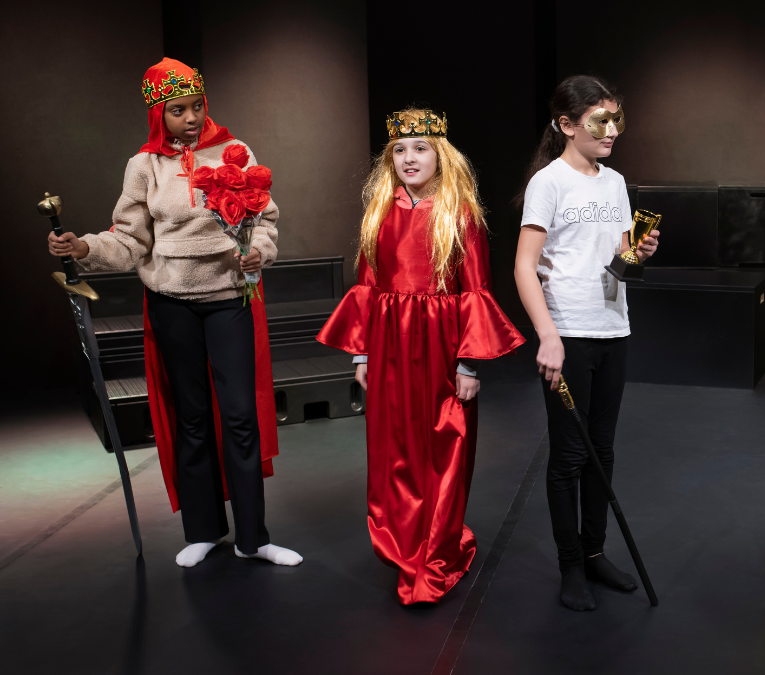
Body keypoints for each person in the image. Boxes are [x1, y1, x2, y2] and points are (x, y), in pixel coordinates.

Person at [47, 57, 300, 568]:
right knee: (191, 417)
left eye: (196, 107)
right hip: (171, 303)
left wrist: (259, 251)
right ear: (157, 114)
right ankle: (204, 530)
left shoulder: (235, 151)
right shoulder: (144, 166)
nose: (190, 118)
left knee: (240, 417)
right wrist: (84, 249)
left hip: (228, 297)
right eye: (177, 110)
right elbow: (129, 239)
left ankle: (253, 538)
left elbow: (264, 219)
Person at [317, 109, 524, 605]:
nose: (409, 158)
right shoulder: (379, 211)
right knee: (393, 448)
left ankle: (435, 553)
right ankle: (403, 546)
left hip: (441, 345)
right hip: (389, 344)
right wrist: (362, 354)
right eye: (400, 150)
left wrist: (468, 363)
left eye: (420, 148)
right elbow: (367, 285)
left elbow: (475, 290)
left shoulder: (460, 214)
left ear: (440, 155)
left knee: (443, 445)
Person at [514, 75, 660, 611]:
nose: (612, 130)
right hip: (568, 333)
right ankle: (570, 564)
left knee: (602, 450)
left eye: (617, 118)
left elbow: (619, 262)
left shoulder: (614, 182)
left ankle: (595, 553)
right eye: (600, 120)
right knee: (569, 456)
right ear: (567, 125)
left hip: (613, 328)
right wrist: (547, 335)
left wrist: (639, 252)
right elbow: (524, 267)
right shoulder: (548, 183)